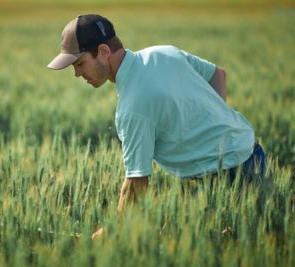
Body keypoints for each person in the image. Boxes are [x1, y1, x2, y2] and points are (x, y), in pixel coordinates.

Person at [47, 14, 267, 239]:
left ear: (103, 52)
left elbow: (136, 183)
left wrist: (112, 232)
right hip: (253, 153)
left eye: (80, 63)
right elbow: (218, 75)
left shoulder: (133, 108)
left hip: (223, 181)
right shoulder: (163, 52)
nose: (76, 73)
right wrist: (215, 129)